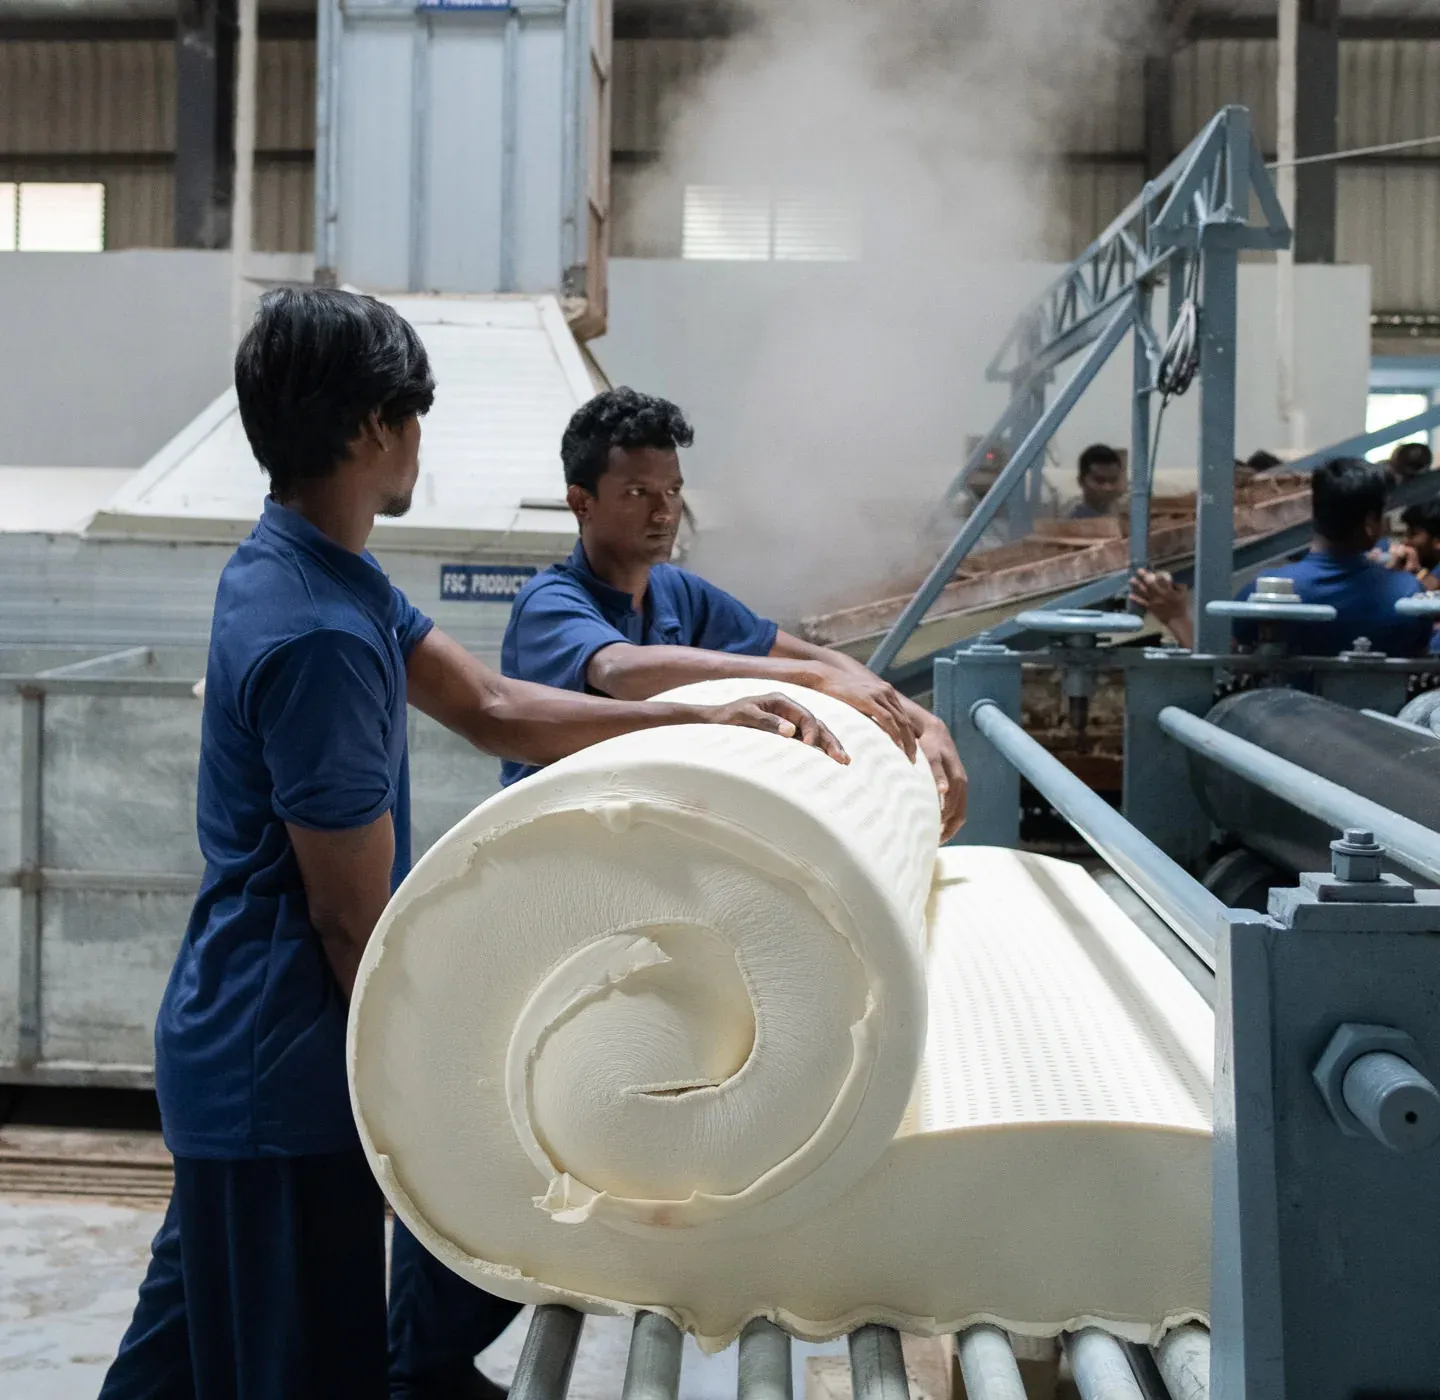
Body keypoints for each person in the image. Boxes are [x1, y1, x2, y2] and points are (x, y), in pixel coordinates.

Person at [99, 292, 846, 1400]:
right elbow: (350, 920)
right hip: (282, 1072)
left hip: (239, 1060)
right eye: (413, 417)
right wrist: (447, 1095)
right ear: (371, 428)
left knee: (176, 1365)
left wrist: (691, 719)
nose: (419, 443)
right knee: (297, 1370)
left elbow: (492, 704)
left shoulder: (311, 568)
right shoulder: (319, 636)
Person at [498, 388, 967, 839]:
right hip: (552, 835)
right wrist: (812, 680)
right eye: (638, 493)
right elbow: (619, 670)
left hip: (637, 829)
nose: (664, 513)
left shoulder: (677, 591)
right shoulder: (551, 602)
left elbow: (816, 657)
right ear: (582, 503)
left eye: (673, 491)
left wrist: (925, 724)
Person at [1129, 456, 1433, 657]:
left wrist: (1176, 616)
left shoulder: (1268, 591)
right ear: (1370, 523)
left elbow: (1221, 669)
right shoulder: (1406, 593)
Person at [1066, 443, 1126, 519]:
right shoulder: (1073, 523)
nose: (1107, 488)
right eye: (1100, 480)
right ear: (1081, 481)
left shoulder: (1126, 519)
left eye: (1113, 480)